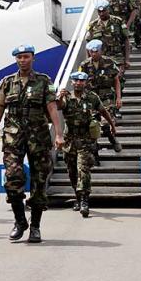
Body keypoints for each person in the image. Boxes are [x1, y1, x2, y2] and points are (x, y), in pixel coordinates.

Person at [0, 44, 64, 243]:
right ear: (16, 59)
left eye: (26, 57)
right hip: (13, 138)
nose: (23, 60)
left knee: (39, 182)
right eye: (19, 57)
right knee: (12, 178)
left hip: (38, 138)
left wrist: (59, 134)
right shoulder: (7, 82)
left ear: (33, 58)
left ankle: (35, 226)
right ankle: (20, 221)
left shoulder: (44, 81)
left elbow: (53, 108)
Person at [56, 71, 116, 218]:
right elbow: (58, 106)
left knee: (83, 169)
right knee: (72, 171)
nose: (78, 83)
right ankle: (77, 197)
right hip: (69, 141)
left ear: (85, 82)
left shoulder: (92, 97)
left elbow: (103, 111)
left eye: (81, 81)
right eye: (76, 81)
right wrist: (59, 96)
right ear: (72, 82)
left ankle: (84, 200)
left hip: (85, 140)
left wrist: (112, 125)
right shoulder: (67, 97)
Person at [79, 39, 122, 166]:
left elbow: (116, 81)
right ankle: (95, 155)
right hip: (91, 100)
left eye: (95, 51)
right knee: (92, 127)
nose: (93, 54)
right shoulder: (85, 65)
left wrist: (119, 98)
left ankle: (112, 140)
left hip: (106, 98)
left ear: (100, 50)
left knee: (105, 125)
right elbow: (79, 83)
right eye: (91, 52)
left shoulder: (109, 62)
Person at [86, 0, 130, 92]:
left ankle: (117, 100)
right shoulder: (93, 25)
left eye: (103, 11)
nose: (101, 13)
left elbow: (126, 40)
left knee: (119, 81)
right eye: (99, 11)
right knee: (103, 83)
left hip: (117, 58)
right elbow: (88, 44)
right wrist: (89, 59)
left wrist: (127, 59)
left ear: (108, 9)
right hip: (101, 60)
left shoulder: (118, 21)